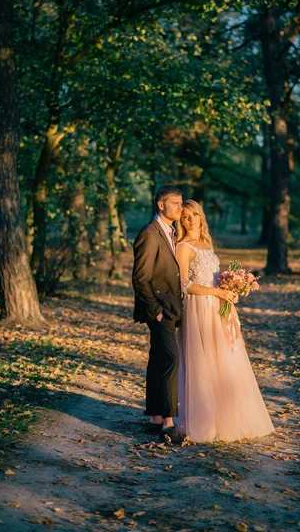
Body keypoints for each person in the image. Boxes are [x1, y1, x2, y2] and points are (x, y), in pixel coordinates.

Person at [175, 200, 275, 442]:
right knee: (203, 361)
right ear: (180, 220)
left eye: (194, 216)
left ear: (201, 217)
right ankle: (203, 421)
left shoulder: (206, 244)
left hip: (216, 304)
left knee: (222, 360)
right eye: (185, 217)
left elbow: (212, 277)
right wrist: (217, 292)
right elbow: (184, 285)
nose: (190, 220)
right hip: (198, 307)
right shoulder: (183, 247)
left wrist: (230, 288)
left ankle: (226, 416)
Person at [132, 185, 185, 444]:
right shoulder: (150, 234)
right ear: (161, 204)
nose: (180, 207)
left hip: (172, 307)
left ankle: (154, 418)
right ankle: (168, 423)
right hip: (160, 310)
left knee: (157, 361)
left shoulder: (172, 232)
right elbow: (140, 279)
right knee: (170, 360)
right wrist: (156, 312)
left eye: (181, 202)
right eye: (174, 202)